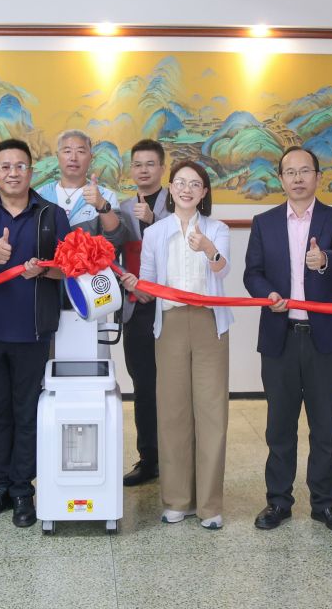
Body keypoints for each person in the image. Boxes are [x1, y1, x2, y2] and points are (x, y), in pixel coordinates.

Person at [244, 146, 332, 534]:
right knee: (279, 425)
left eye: (305, 171)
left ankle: (325, 505)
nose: (297, 178)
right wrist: (268, 294)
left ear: (317, 177)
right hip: (280, 335)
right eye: (290, 172)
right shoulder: (264, 222)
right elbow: (252, 273)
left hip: (323, 336)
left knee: (323, 425)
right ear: (280, 179)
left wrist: (324, 259)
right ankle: (278, 501)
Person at [120, 160, 233, 529]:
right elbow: (149, 283)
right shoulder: (156, 233)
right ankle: (176, 500)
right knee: (172, 411)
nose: (187, 189)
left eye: (195, 184)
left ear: (204, 192)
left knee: (212, 412)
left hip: (209, 325)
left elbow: (223, 269)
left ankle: (210, 505)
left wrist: (209, 248)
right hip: (168, 324)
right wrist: (137, 285)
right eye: (180, 182)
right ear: (171, 189)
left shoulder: (217, 228)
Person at [0, 138, 71, 527]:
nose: (13, 173)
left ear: (31, 171)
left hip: (33, 332)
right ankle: (1, 486)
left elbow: (68, 268)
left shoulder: (51, 214)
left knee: (26, 412)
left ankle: (24, 490)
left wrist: (44, 269)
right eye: (5, 167)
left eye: (20, 166)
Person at [117, 138, 170, 487]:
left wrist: (153, 221)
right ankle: (149, 458)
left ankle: (177, 458)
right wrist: (130, 284)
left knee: (174, 384)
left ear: (162, 168)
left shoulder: (177, 203)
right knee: (143, 384)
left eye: (150, 164)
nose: (143, 170)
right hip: (135, 304)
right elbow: (113, 255)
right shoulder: (121, 207)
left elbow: (182, 251)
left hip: (169, 305)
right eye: (137, 164)